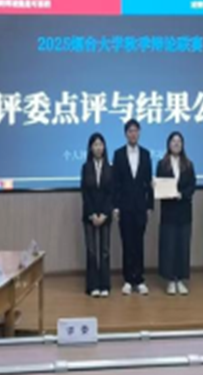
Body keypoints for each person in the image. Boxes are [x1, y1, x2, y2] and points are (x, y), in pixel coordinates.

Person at [112, 119, 153, 296]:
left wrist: (150, 205)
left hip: (141, 207)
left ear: (139, 133)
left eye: (136, 130)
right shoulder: (118, 154)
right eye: (130, 131)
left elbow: (149, 182)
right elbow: (115, 183)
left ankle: (140, 279)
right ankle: (128, 280)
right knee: (127, 243)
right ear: (125, 134)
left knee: (139, 243)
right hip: (125, 207)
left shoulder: (146, 154)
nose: (133, 134)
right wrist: (115, 206)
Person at [156, 132, 196, 296]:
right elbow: (159, 186)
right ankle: (170, 280)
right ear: (168, 144)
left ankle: (180, 279)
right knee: (169, 245)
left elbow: (192, 185)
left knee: (183, 245)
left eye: (179, 141)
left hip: (184, 210)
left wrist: (182, 194)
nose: (176, 144)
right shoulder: (162, 164)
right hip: (169, 211)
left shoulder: (188, 164)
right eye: (173, 141)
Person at [80, 133, 113, 298]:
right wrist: (93, 214)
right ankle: (92, 285)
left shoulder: (110, 167)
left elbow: (111, 193)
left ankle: (104, 284)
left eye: (101, 144)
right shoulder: (86, 167)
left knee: (105, 251)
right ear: (90, 148)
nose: (98, 148)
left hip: (106, 215)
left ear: (104, 147)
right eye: (95, 145)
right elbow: (85, 193)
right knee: (92, 251)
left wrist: (105, 214)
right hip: (89, 214)